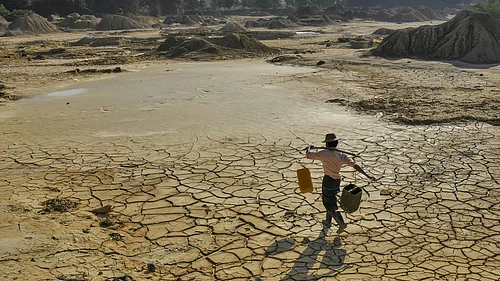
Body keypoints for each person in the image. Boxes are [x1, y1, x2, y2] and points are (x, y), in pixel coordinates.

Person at [306, 133, 375, 233]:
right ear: (336, 143)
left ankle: (341, 223)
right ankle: (327, 221)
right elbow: (355, 166)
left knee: (328, 203)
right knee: (330, 200)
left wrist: (309, 147)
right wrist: (368, 175)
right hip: (336, 181)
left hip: (328, 180)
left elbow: (308, 155)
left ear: (327, 145)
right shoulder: (341, 155)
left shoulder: (323, 153)